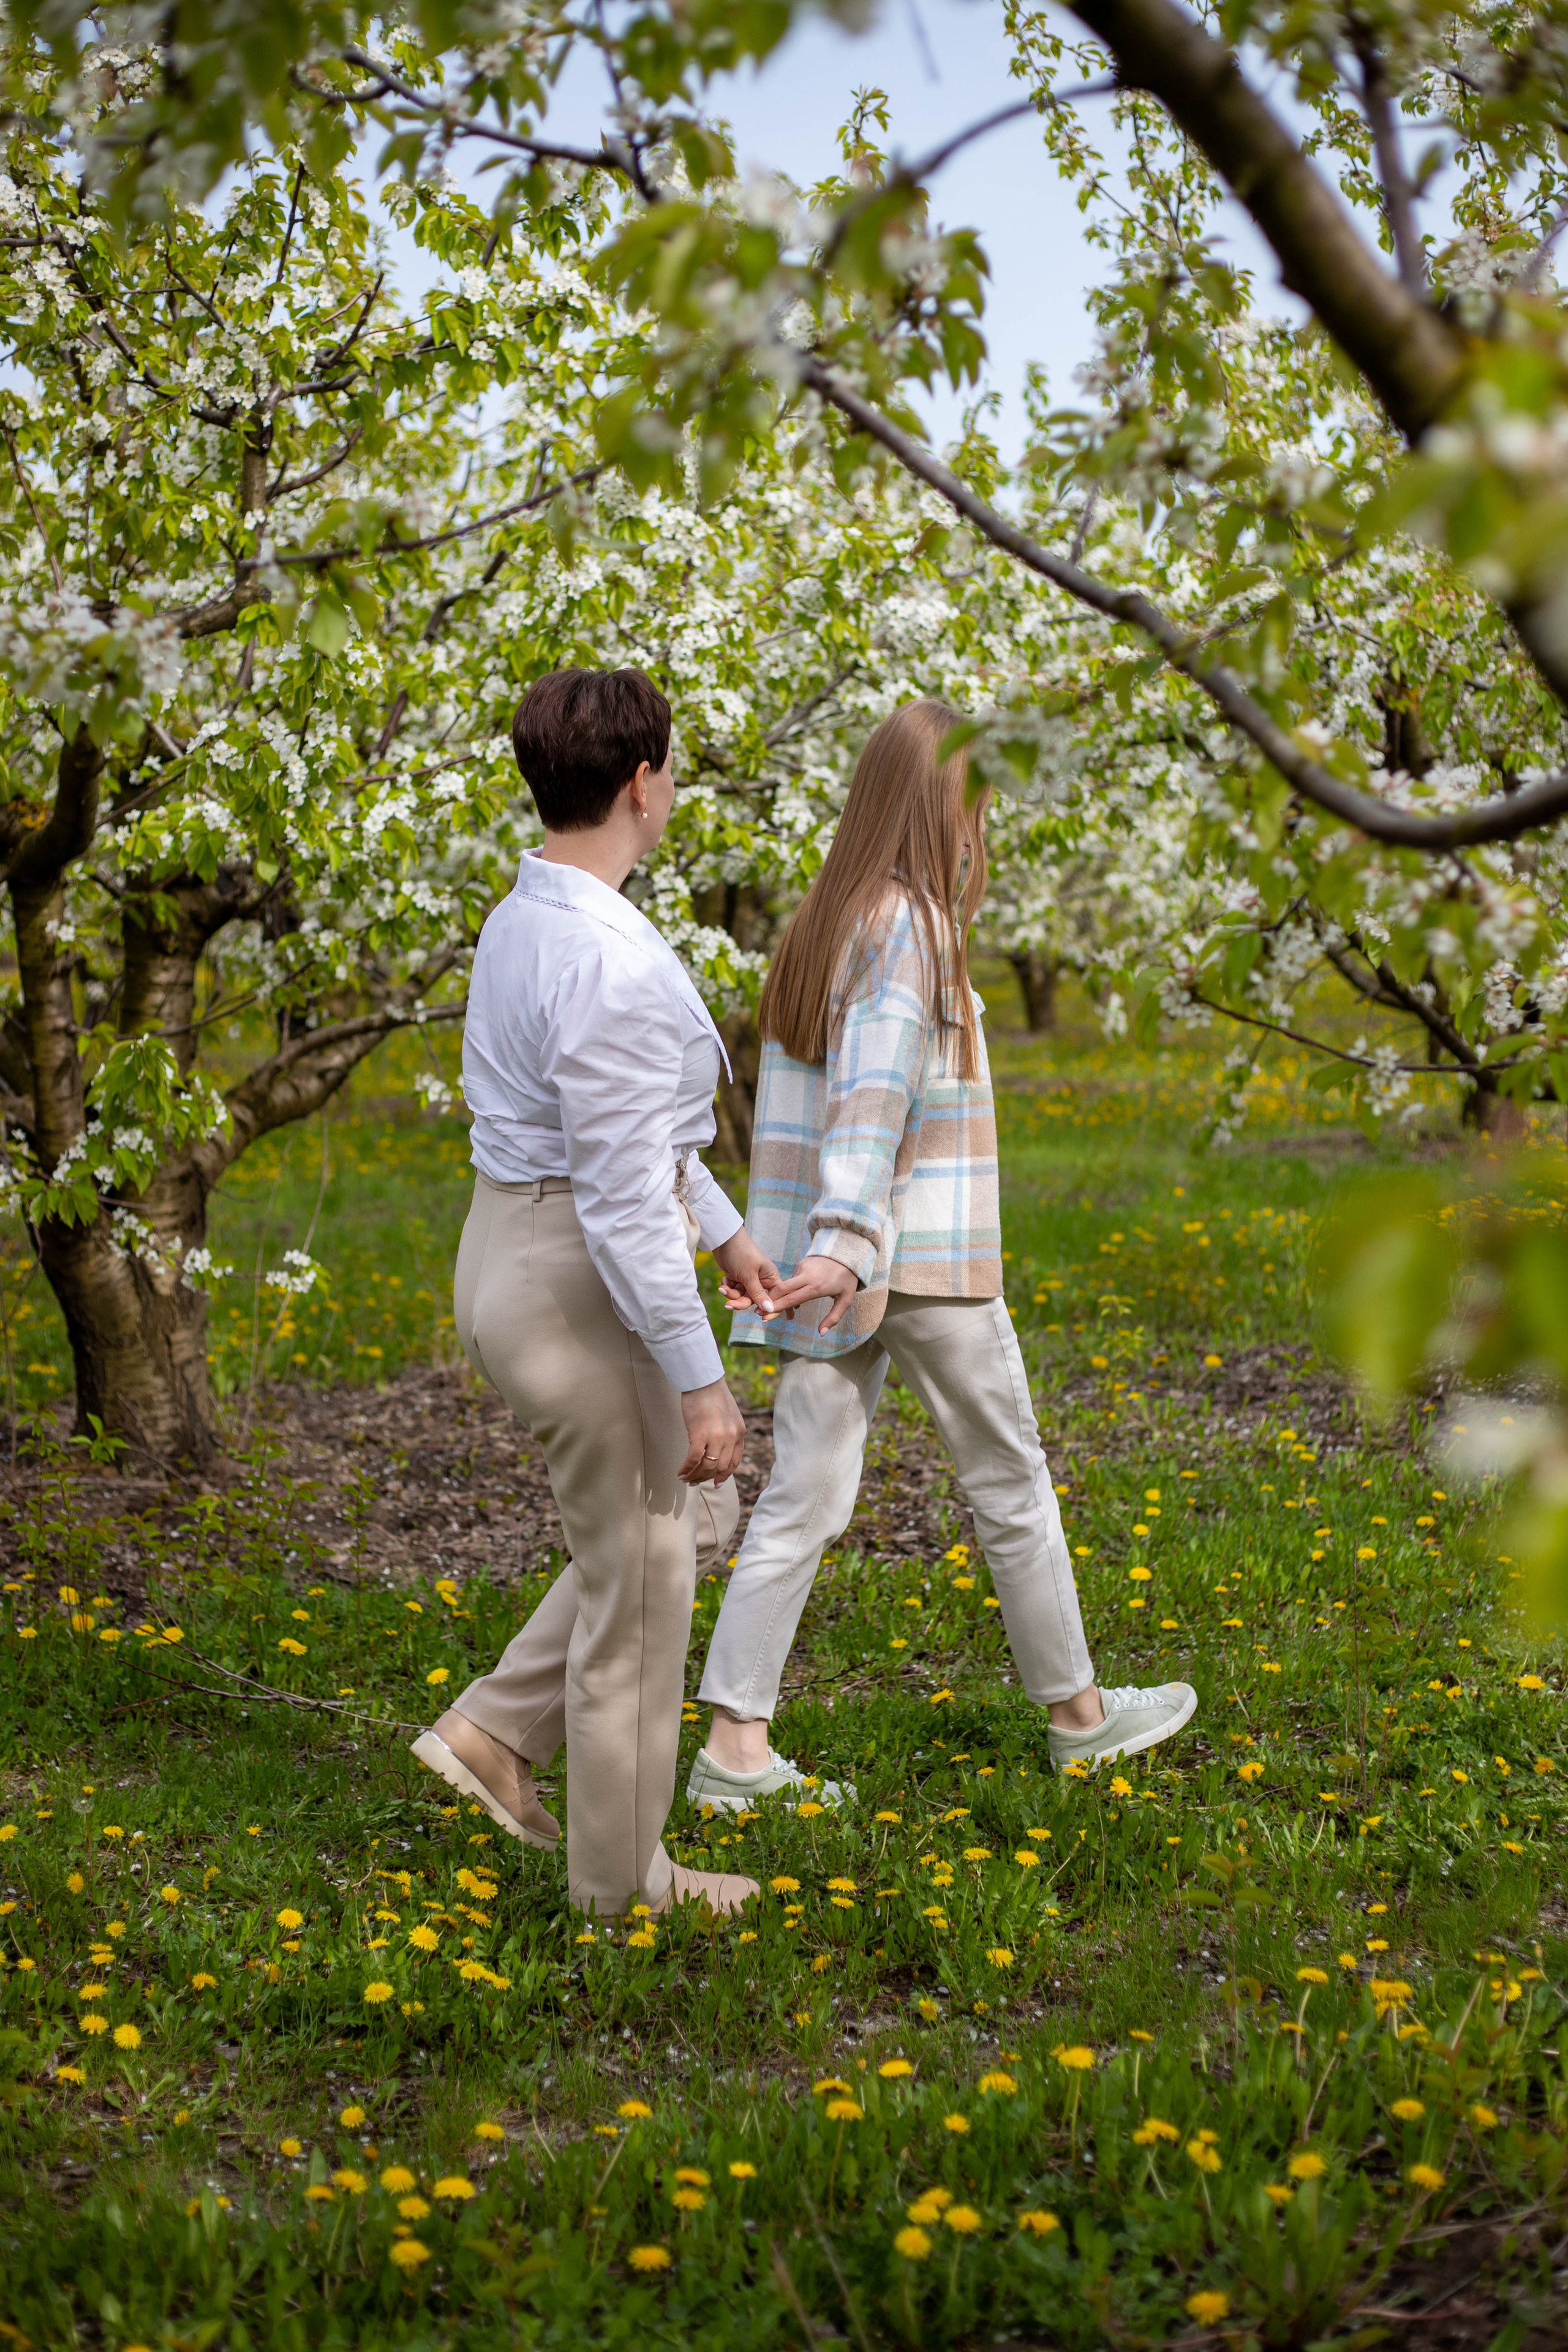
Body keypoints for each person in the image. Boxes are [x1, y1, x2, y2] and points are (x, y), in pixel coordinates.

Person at [684, 698, 1197, 1814]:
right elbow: (876, 1099)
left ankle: (733, 1748)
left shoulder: (825, 919)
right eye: (974, 803)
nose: (980, 829)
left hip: (845, 1264)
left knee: (806, 1495)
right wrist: (847, 1244)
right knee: (1008, 1478)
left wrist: (825, 1251)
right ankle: (1079, 1717)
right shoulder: (909, 924)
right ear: (937, 806)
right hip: (910, 1257)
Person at [411, 667, 774, 1919]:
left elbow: (628, 1147)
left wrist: (723, 1238)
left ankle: (494, 1738)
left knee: (654, 1540)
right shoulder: (604, 961)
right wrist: (701, 1376)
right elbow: (621, 1199)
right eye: (669, 768)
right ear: (642, 781)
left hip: (515, 1246)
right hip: (572, 1273)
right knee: (642, 1575)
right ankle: (621, 1888)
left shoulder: (533, 912)